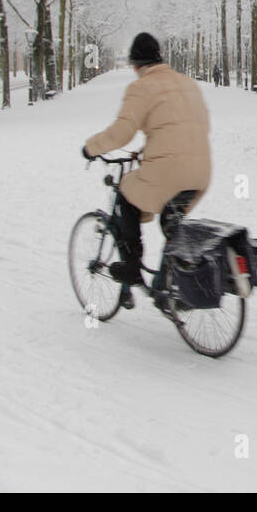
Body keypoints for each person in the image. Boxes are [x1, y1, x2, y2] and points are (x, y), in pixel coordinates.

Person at [82, 32, 211, 309]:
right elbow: (189, 126)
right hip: (200, 172)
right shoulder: (188, 84)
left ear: (136, 64)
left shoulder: (142, 87)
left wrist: (91, 148)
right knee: (171, 223)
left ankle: (130, 266)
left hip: (169, 171)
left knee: (127, 196)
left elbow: (122, 133)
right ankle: (169, 286)